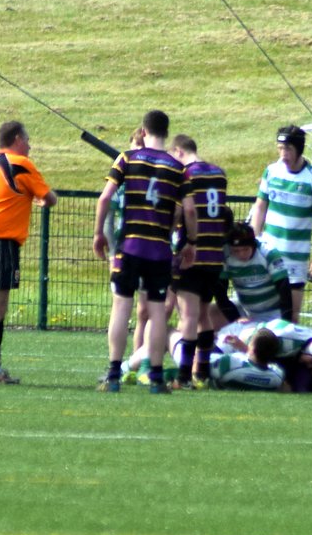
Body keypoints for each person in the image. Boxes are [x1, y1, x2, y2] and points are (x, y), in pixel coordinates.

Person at [92, 109, 187, 393]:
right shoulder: (177, 167)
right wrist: (190, 242)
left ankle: (113, 374)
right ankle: (156, 376)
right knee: (157, 313)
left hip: (129, 246)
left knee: (121, 306)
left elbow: (105, 198)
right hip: (159, 250)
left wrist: (98, 234)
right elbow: (186, 211)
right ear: (166, 133)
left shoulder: (127, 158)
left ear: (143, 132)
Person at [0, 121, 57, 384]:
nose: (30, 145)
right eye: (27, 140)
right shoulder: (20, 163)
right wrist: (40, 198)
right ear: (17, 139)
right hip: (0, 239)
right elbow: (50, 198)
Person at [249, 124, 312, 321]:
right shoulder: (271, 172)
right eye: (280, 148)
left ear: (299, 149)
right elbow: (260, 207)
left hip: (295, 258)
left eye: (288, 149)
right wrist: (253, 240)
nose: (283, 154)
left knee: (290, 316)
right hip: (268, 253)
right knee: (260, 311)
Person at [169, 134, 229, 389]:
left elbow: (185, 210)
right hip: (215, 255)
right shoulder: (219, 174)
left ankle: (184, 375)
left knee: (189, 316)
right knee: (203, 314)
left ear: (178, 151)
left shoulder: (185, 174)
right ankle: (201, 372)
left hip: (192, 255)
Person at [217, 222, 293, 324]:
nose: (241, 254)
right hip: (247, 313)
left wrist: (285, 322)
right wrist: (236, 318)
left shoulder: (268, 253)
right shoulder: (225, 255)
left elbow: (284, 290)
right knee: (213, 312)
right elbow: (220, 294)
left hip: (275, 313)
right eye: (236, 251)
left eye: (245, 249)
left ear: (253, 245)